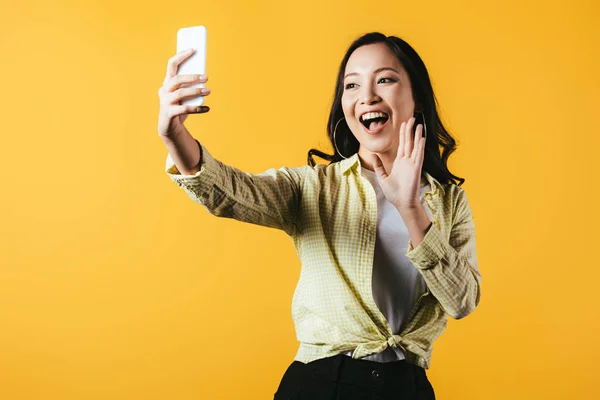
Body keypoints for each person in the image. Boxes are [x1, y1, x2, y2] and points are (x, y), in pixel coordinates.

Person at [157, 31, 482, 400]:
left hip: (407, 388)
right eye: (352, 85)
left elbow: (462, 301)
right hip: (323, 385)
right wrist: (174, 135)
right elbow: (229, 192)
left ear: (417, 99)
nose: (367, 96)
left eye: (385, 79)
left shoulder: (449, 202)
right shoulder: (313, 188)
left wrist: (411, 208)